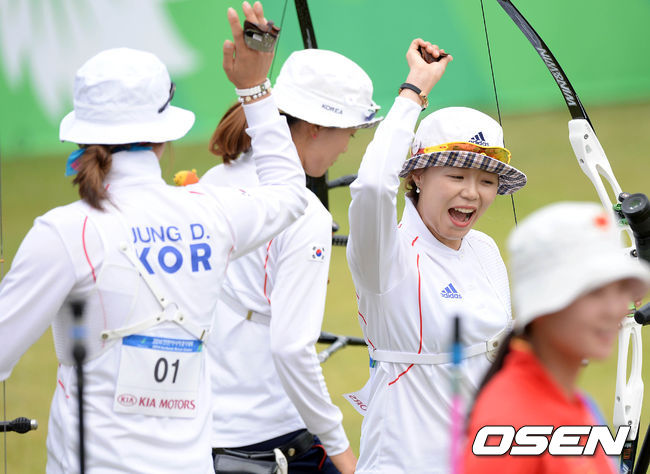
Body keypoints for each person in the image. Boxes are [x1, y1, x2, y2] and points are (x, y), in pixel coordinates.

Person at [0, 2, 308, 472]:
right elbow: (289, 191)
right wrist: (254, 88)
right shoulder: (209, 212)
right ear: (163, 135)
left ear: (83, 135)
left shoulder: (65, 231)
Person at [345, 38, 528, 473]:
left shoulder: (483, 249)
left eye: (487, 181)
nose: (472, 193)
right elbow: (371, 187)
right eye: (457, 175)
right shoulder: (386, 254)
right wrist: (415, 90)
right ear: (419, 175)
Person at [201, 48, 381, 474]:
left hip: (202, 432)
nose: (347, 146)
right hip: (272, 438)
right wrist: (342, 451)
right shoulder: (305, 214)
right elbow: (291, 347)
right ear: (316, 128)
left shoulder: (215, 179)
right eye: (349, 133)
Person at [463, 202, 650, 473]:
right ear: (543, 304)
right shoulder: (509, 424)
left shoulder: (574, 402)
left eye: (621, 289)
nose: (615, 310)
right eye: (594, 292)